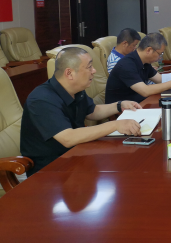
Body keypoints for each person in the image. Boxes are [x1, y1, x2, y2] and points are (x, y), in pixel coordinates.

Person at [20, 47, 143, 177]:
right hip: (50, 170)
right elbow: (68, 138)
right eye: (89, 67)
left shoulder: (75, 89)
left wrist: (119, 105)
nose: (94, 71)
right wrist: (115, 125)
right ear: (69, 73)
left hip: (76, 155)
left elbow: (92, 111)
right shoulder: (41, 99)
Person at [105, 33, 171, 104]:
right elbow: (145, 91)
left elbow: (160, 79)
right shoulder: (126, 65)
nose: (160, 57)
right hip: (122, 110)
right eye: (160, 54)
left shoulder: (144, 62)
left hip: (140, 102)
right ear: (149, 50)